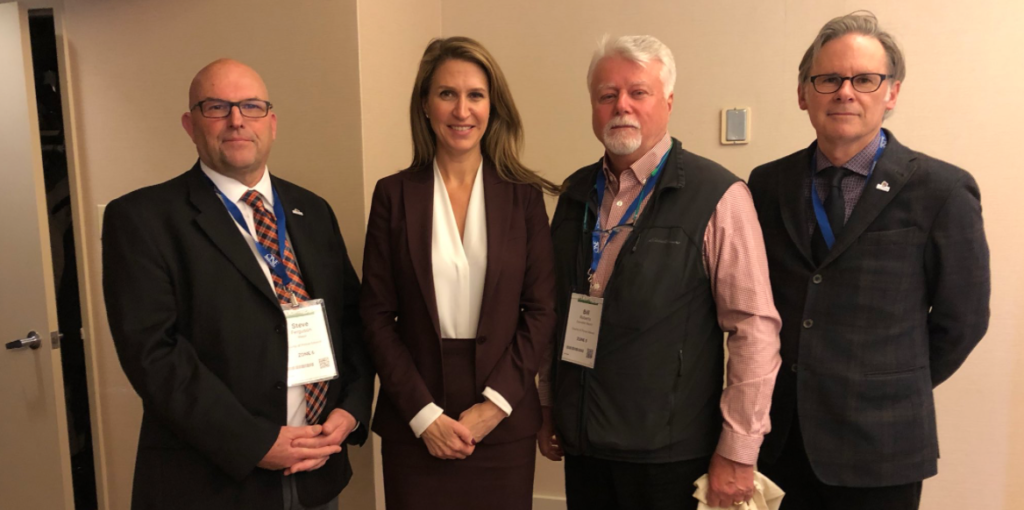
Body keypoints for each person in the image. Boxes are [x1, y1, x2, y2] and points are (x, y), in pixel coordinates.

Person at [102, 59, 375, 510]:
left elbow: (351, 322)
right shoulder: (143, 219)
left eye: (251, 106)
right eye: (217, 107)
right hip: (211, 482)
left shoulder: (313, 210)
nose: (236, 121)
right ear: (190, 125)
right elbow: (153, 354)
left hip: (318, 475)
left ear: (272, 123)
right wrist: (254, 443)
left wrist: (350, 410)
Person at [748, 12, 990, 510]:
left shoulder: (941, 189)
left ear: (891, 94)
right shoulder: (767, 184)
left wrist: (891, 384)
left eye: (864, 79)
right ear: (803, 94)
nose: (844, 92)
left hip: (884, 444)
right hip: (780, 441)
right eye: (828, 79)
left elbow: (962, 320)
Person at [538, 35, 782, 510]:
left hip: (672, 458)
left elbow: (754, 327)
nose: (621, 106)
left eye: (638, 92)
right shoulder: (573, 195)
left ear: (668, 101)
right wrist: (549, 405)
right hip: (584, 448)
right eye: (607, 95)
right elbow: (555, 312)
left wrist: (738, 450)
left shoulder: (719, 196)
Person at [360, 37, 557, 510]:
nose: (461, 109)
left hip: (503, 419)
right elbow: (374, 315)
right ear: (425, 105)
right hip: (416, 418)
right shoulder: (393, 195)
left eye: (475, 95)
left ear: (493, 106)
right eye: (447, 93)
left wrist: (494, 408)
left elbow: (543, 310)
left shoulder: (523, 198)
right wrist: (423, 415)